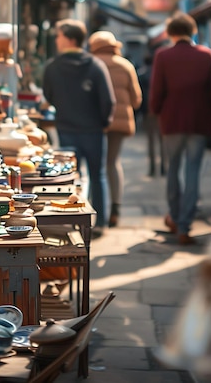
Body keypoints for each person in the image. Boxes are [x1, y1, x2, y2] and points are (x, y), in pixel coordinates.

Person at [149, 11, 211, 245]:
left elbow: (156, 92)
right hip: (199, 123)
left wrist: (157, 111)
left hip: (171, 122)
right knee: (193, 172)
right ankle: (185, 225)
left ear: (170, 33)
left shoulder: (163, 56)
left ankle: (175, 215)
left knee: (173, 170)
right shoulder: (205, 55)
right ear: (193, 32)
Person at [42, 19, 116, 233]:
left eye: (59, 36)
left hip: (66, 129)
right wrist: (103, 123)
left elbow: (48, 96)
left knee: (70, 177)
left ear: (70, 39)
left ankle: (74, 221)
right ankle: (99, 223)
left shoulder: (53, 67)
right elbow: (108, 101)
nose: (56, 40)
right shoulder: (95, 65)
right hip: (93, 130)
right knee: (97, 175)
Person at [88, 30, 143, 227]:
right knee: (113, 162)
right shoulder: (125, 65)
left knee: (95, 167)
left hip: (94, 121)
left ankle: (94, 209)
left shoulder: (91, 64)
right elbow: (137, 99)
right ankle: (116, 208)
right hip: (119, 123)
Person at [137, 48, 168, 178]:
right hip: (161, 111)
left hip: (148, 111)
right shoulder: (161, 73)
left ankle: (152, 168)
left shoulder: (141, 74)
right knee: (163, 141)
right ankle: (163, 167)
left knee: (151, 141)